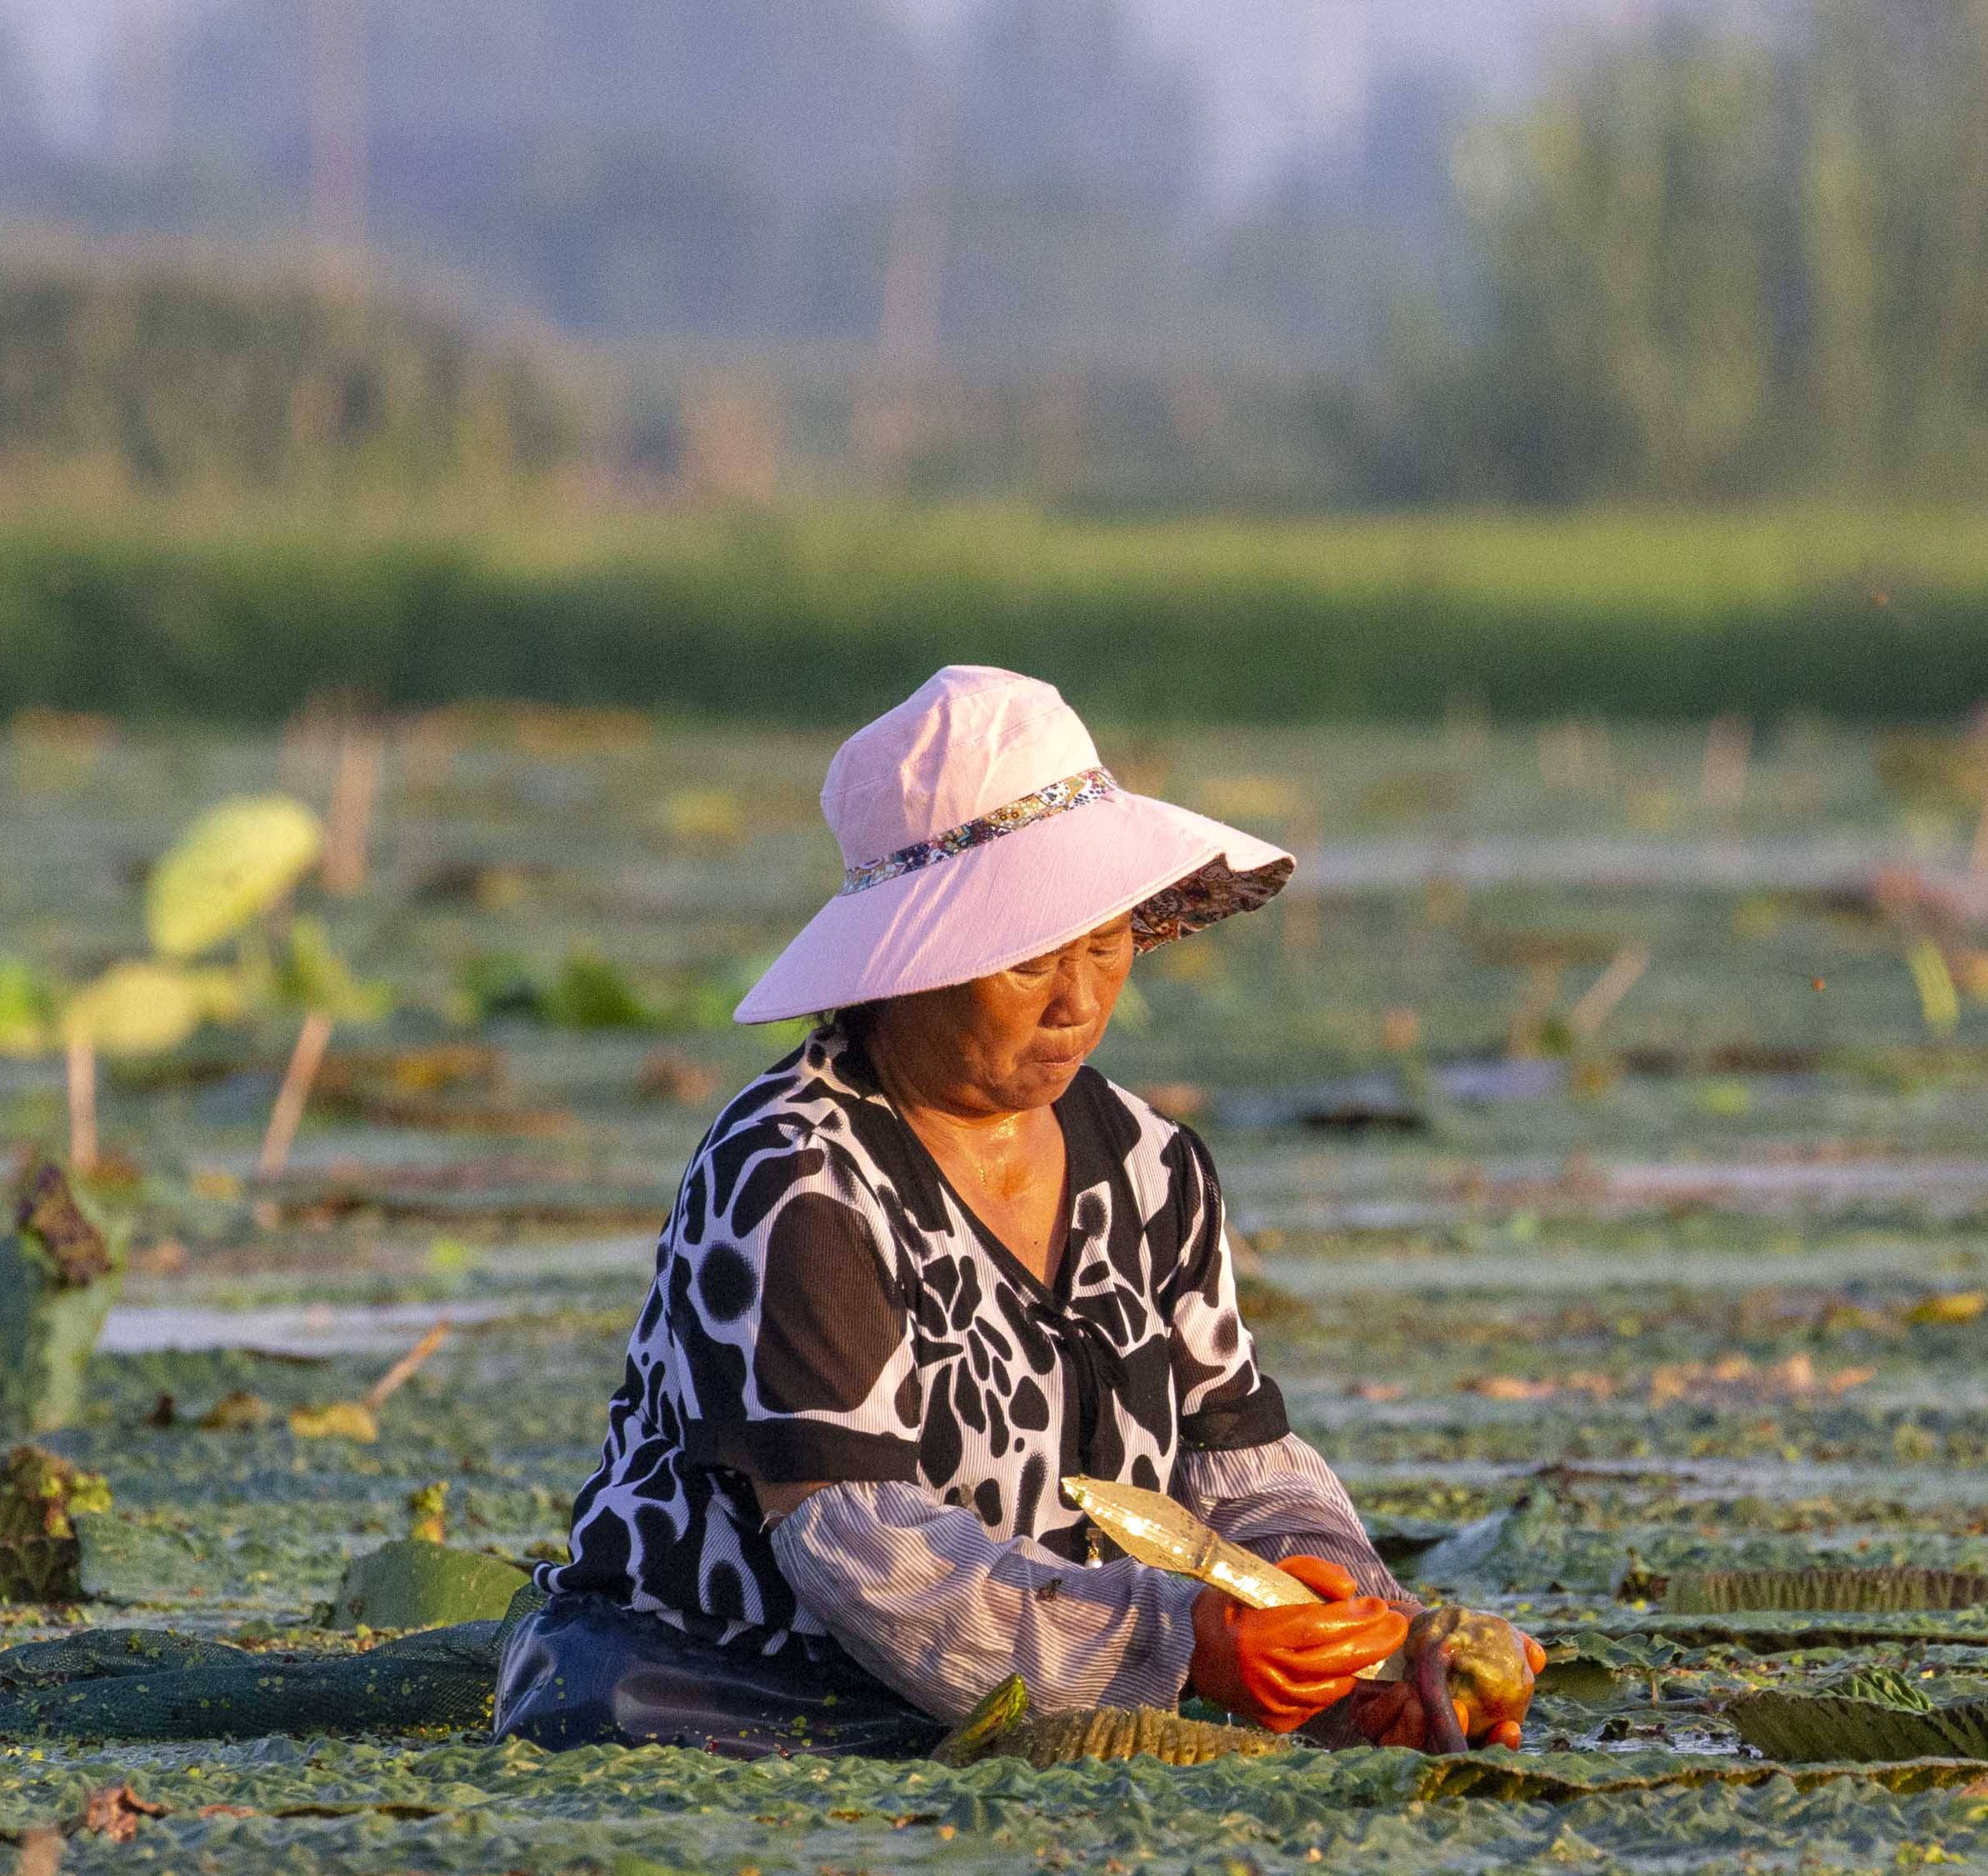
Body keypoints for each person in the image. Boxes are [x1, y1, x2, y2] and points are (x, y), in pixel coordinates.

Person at [500, 663, 1533, 1757]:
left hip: (1022, 1716)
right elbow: (861, 1550)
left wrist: (1360, 1639)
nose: (1080, 999)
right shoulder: (797, 1174)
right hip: (723, 1709)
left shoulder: (1152, 1168)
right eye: (1032, 957)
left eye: (1104, 942)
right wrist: (1188, 1642)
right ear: (906, 967)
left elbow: (1244, 1467)